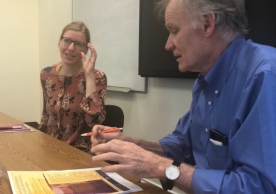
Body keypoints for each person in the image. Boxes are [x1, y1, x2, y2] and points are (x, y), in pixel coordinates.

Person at [91, 0, 276, 193]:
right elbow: (184, 145)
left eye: (174, 30)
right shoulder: (203, 82)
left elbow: (260, 187)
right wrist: (134, 145)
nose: (168, 45)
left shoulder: (264, 76)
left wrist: (161, 167)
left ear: (207, 24)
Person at [39, 21, 107, 152]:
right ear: (59, 43)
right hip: (50, 148)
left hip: (80, 152)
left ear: (86, 49)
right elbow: (46, 116)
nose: (70, 48)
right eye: (66, 41)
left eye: (78, 44)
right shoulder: (46, 74)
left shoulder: (97, 77)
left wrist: (89, 75)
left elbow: (95, 121)